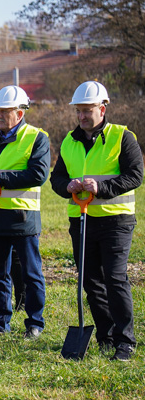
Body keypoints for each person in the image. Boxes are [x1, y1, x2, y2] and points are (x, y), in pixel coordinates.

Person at [50, 81, 142, 361]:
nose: (81, 116)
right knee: (90, 282)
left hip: (116, 221)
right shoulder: (68, 141)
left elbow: (135, 175)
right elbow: (56, 179)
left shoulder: (123, 137)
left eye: (87, 110)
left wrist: (100, 189)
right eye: (78, 111)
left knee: (114, 279)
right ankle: (106, 335)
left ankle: (125, 341)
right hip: (81, 221)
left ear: (102, 109)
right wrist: (67, 187)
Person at [0, 85, 50, 338]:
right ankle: (2, 321)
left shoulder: (37, 137)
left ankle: (35, 322)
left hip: (23, 217)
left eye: (5, 112)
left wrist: (0, 177)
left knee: (30, 272)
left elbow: (38, 174)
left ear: (20, 113)